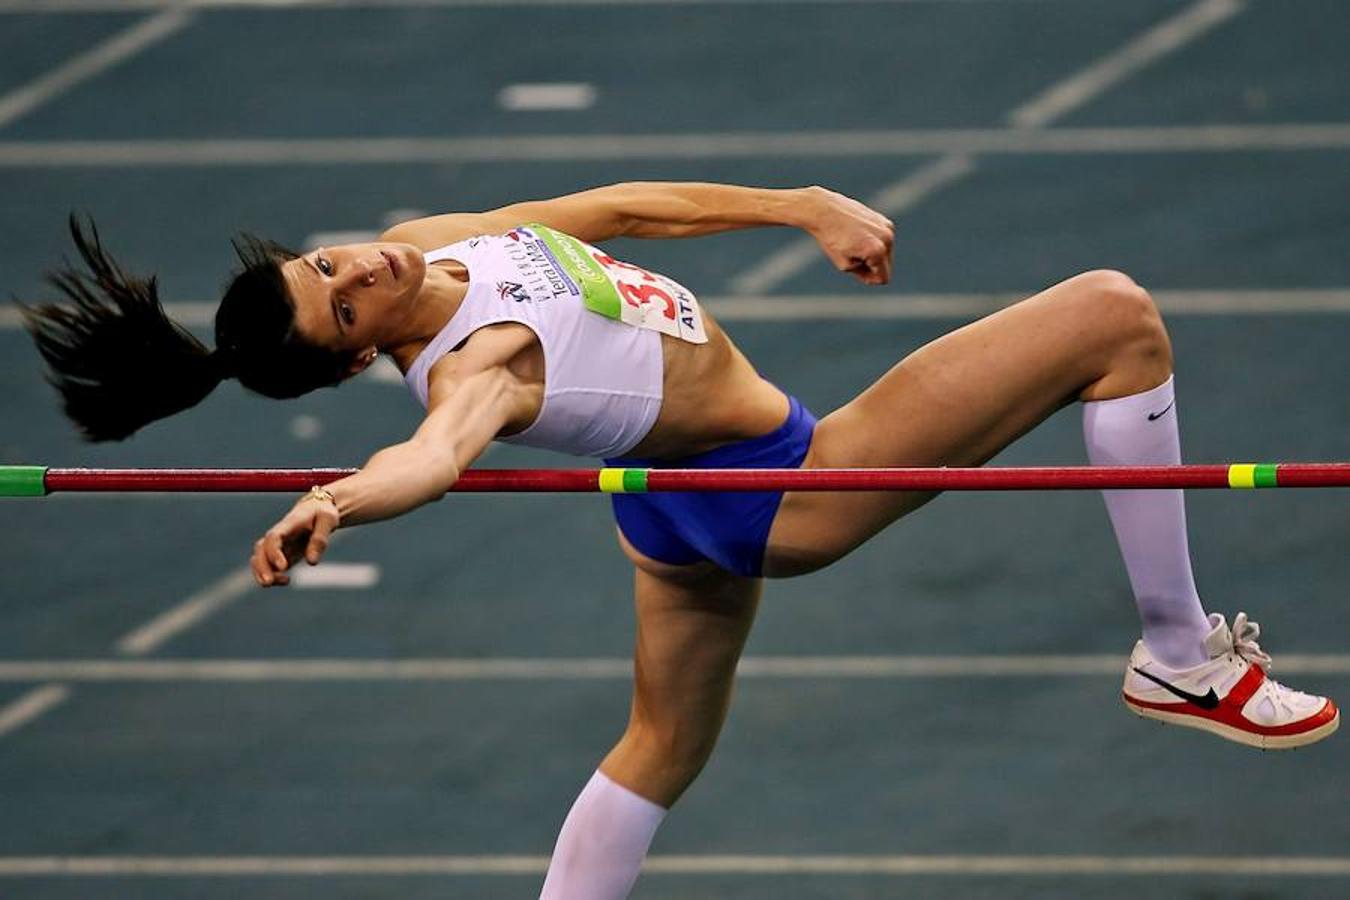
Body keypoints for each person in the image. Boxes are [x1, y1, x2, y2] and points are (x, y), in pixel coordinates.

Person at [22, 182, 1339, 899]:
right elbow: (431, 455)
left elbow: (625, 213)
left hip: (661, 503)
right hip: (779, 486)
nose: (358, 272)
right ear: (368, 352)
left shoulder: (430, 247)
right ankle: (1174, 651)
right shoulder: (485, 356)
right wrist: (339, 500)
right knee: (1109, 317)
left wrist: (794, 206)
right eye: (348, 307)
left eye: (328, 266)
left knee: (660, 748)